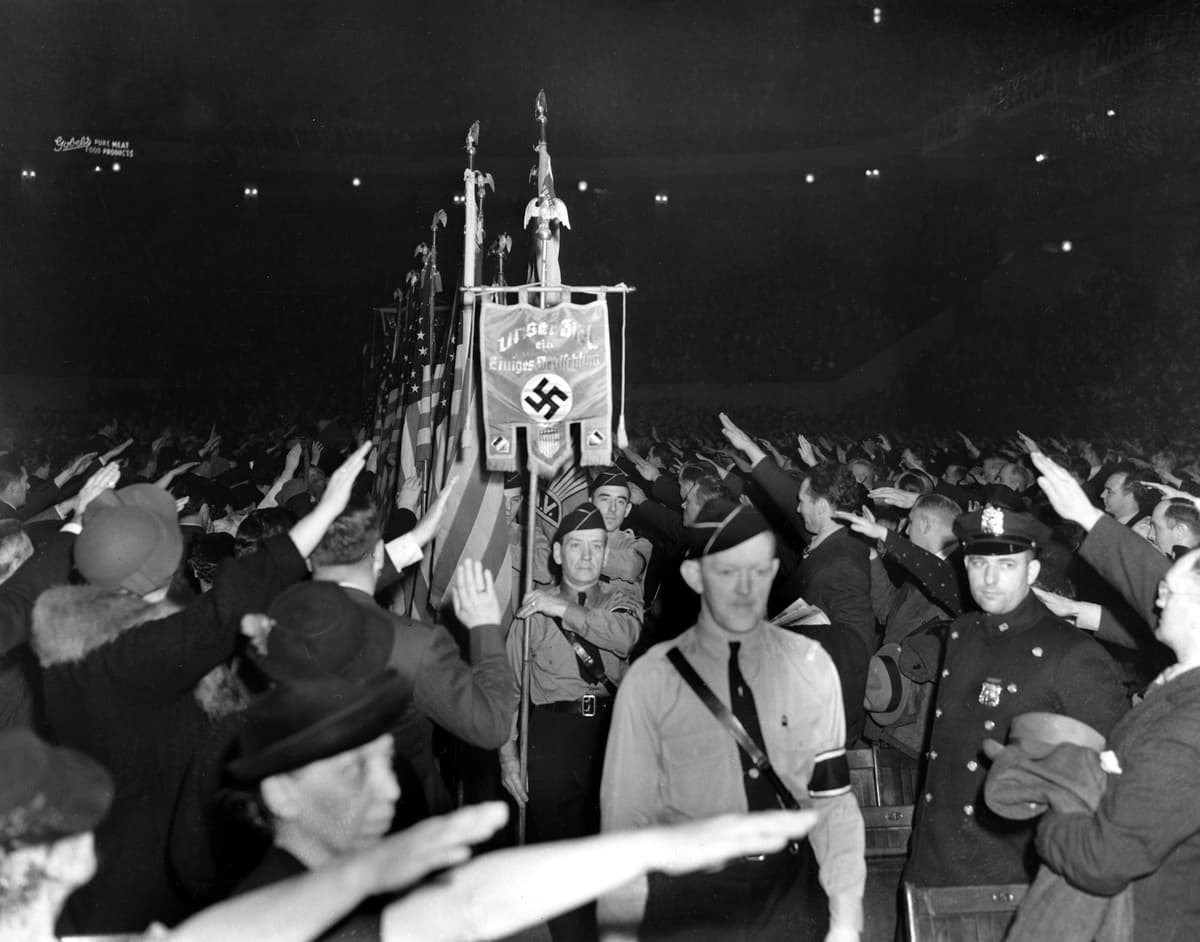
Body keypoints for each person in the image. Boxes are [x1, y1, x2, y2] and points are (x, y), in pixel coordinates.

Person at [30, 442, 372, 932]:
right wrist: (325, 512)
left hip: (97, 860)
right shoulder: (135, 657)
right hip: (143, 888)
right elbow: (225, 608)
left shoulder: (73, 641)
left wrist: (98, 512)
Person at [600, 499, 865, 942]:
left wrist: (845, 919)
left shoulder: (809, 666)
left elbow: (833, 805)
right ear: (694, 576)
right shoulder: (652, 681)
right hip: (692, 905)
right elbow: (624, 824)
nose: (745, 589)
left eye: (758, 571)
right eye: (727, 571)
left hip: (789, 898)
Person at [904, 503, 1129, 890]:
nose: (989, 579)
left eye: (1007, 565)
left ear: (1033, 571)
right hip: (933, 854)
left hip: (1005, 874)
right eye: (978, 564)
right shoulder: (962, 631)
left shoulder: (1070, 653)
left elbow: (1114, 774)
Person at [1026, 546, 1200, 942]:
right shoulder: (1180, 688)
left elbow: (1103, 859)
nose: (1156, 600)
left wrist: (1052, 814)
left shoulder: (1188, 724)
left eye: (1167, 591)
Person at [500, 501, 642, 941]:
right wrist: (507, 757)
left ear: (606, 554)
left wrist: (560, 609)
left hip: (608, 738)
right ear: (558, 553)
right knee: (557, 859)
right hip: (552, 740)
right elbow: (508, 689)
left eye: (596, 547)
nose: (586, 556)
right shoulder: (532, 608)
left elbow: (625, 637)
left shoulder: (620, 598)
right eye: (576, 546)